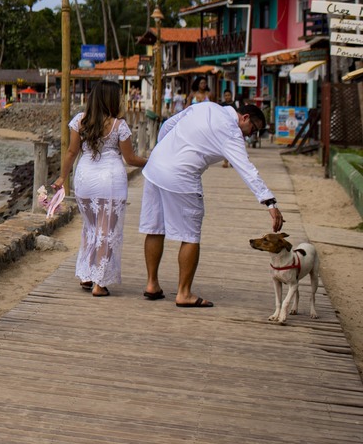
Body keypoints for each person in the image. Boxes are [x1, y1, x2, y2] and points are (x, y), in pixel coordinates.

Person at [139, 101, 281, 308]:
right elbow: (247, 169)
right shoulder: (231, 132)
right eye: (254, 130)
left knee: (154, 227)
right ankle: (184, 293)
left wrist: (167, 151)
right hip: (182, 175)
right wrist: (270, 203)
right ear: (245, 118)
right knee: (190, 235)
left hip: (154, 167)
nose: (250, 136)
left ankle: (152, 284)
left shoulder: (205, 106)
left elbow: (168, 125)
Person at [53, 81, 148, 297]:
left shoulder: (80, 121)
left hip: (85, 178)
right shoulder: (119, 126)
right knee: (107, 231)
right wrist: (151, 162)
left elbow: (71, 152)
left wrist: (62, 177)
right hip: (110, 179)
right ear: (111, 100)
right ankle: (100, 282)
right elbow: (130, 158)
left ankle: (87, 275)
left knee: (91, 228)